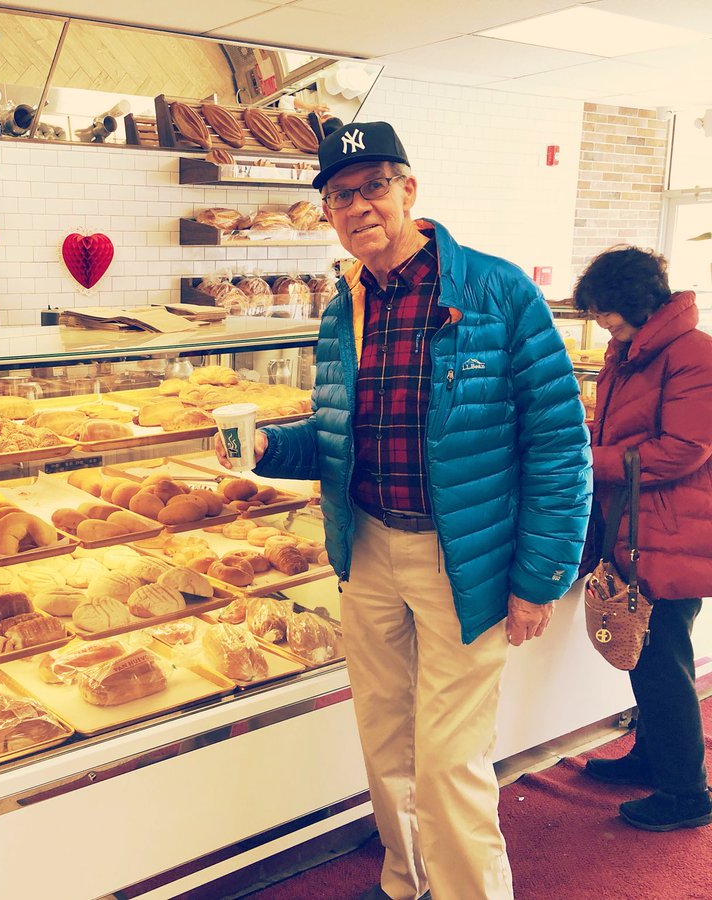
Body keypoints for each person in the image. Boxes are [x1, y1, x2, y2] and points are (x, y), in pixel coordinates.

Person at [216, 121, 591, 900]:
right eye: (338, 196)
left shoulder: (497, 292)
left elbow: (559, 444)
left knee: (450, 758)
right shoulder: (340, 308)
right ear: (327, 214)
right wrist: (266, 453)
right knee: (384, 735)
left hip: (465, 559)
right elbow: (338, 434)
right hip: (370, 551)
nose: (358, 207)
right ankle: (404, 881)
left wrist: (540, 576)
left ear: (409, 190)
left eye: (372, 187)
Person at [574, 246, 712, 832]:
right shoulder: (631, 351)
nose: (599, 322)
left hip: (671, 526)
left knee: (662, 661)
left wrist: (588, 459)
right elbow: (622, 428)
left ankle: (687, 794)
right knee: (647, 656)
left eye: (604, 310)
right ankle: (652, 758)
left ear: (634, 302)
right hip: (638, 521)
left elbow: (683, 450)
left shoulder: (694, 355)